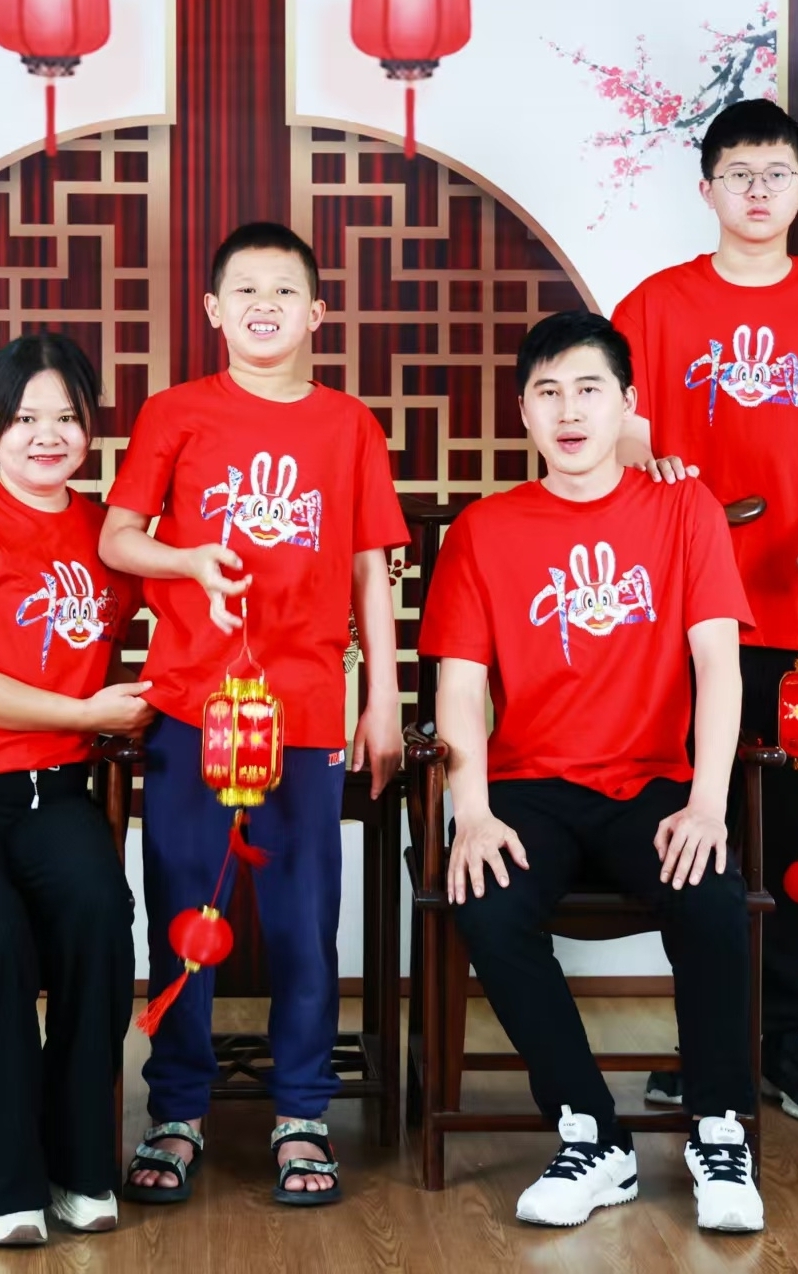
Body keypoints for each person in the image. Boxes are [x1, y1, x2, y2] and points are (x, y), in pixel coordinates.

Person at [418, 311, 764, 1232]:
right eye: (547, 392)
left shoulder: (684, 509)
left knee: (712, 895)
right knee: (485, 899)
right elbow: (460, 688)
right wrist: (472, 811)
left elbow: (719, 666)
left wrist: (707, 804)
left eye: (587, 389)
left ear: (627, 404)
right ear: (523, 412)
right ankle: (592, 1133)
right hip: (531, 787)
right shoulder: (485, 529)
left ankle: (719, 1128)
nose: (568, 411)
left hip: (653, 783)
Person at [100, 221, 408, 1206]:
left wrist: (383, 697)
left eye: (284, 290)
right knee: (184, 909)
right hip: (193, 706)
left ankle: (302, 1113)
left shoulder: (349, 425)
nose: (264, 305)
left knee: (303, 922)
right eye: (245, 289)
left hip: (307, 710)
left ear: (317, 312)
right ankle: (178, 1110)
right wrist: (187, 560)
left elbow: (369, 569)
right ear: (213, 311)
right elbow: (117, 537)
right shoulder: (175, 412)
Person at [612, 97, 798, 1119]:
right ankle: (710, 1046)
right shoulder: (658, 303)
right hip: (692, 618)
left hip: (795, 609)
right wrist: (650, 456)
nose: (758, 192)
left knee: (794, 845)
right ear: (707, 189)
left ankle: (785, 1041)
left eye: (777, 174)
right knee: (703, 835)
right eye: (740, 174)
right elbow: (611, 419)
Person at [0, 332, 150, 1245]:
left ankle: (79, 1165)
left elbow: (179, 618)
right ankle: (10, 1180)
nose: (47, 436)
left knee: (100, 916)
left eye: (66, 418)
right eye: (24, 418)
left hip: (53, 790)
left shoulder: (106, 535)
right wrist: (87, 709)